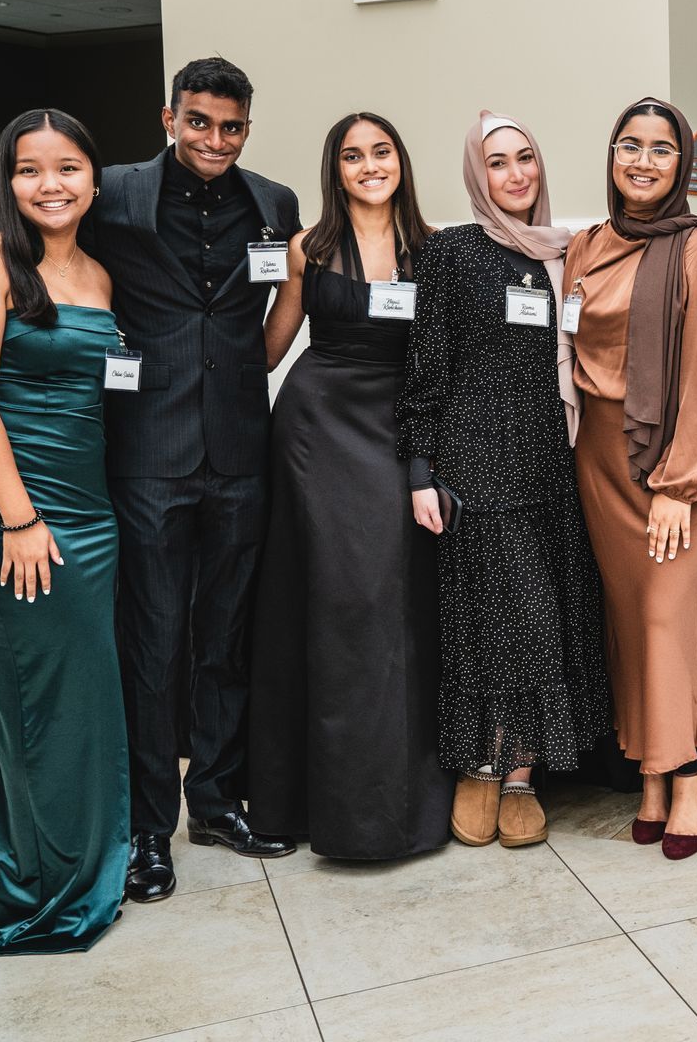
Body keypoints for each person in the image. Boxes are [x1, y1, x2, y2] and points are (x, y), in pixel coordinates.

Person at [0, 58, 303, 900]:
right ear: (170, 118)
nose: (215, 139)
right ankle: (149, 828)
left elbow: (278, 299)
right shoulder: (110, 190)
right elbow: (18, 266)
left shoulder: (273, 204)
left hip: (241, 449)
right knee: (155, 646)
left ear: (247, 129)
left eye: (231, 126)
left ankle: (218, 798)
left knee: (227, 638)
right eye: (199, 121)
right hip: (144, 453)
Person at [0, 109, 127, 953]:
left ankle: (80, 871)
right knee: (36, 701)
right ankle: (40, 893)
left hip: (84, 512)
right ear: (6, 182)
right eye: (29, 170)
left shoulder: (95, 273)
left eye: (69, 167)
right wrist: (20, 516)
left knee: (79, 699)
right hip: (6, 512)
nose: (51, 185)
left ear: (94, 178)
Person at [395, 110, 611, 849]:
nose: (516, 174)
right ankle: (478, 765)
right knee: (492, 621)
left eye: (525, 159)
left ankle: (520, 773)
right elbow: (424, 372)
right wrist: (421, 469)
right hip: (475, 464)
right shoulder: (452, 253)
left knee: (543, 625)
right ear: (476, 176)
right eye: (498, 163)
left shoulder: (568, 254)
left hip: (552, 462)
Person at [247, 113, 449, 859]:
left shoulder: (436, 251)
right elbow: (269, 348)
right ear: (335, 169)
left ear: (401, 160)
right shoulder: (308, 248)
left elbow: (442, 365)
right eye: (353, 156)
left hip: (399, 434)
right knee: (332, 608)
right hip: (314, 434)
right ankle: (310, 802)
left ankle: (397, 804)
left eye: (382, 151)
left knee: (390, 608)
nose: (369, 166)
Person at [563, 97, 697, 861]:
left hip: (675, 461)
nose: (641, 161)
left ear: (681, 166)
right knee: (631, 622)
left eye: (660, 150)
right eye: (628, 146)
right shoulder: (585, 247)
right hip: (598, 457)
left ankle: (690, 773)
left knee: (667, 619)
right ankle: (653, 773)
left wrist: (679, 482)